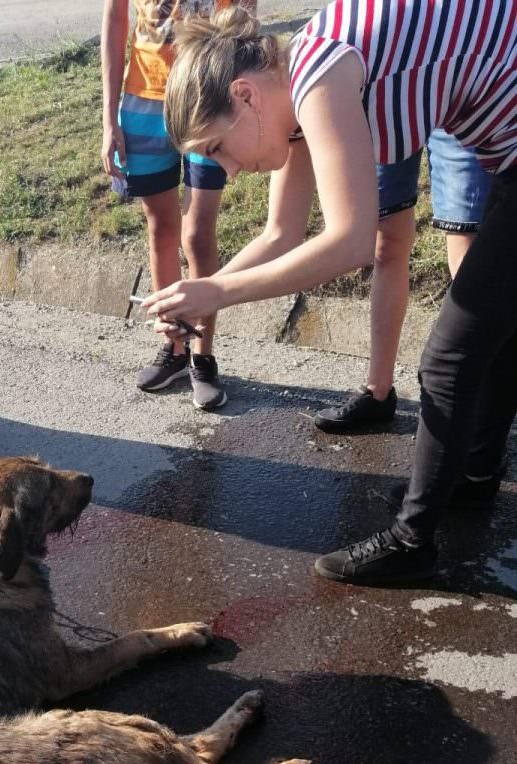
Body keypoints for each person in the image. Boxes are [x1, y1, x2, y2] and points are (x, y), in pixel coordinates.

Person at [142, 0, 517, 585]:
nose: (230, 170)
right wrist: (202, 291)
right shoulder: (292, 89)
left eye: (217, 149)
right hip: (507, 156)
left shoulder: (318, 73)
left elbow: (347, 244)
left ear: (244, 96)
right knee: (492, 327)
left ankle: (412, 542)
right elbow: (282, 234)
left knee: (448, 358)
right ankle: (470, 479)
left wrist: (217, 295)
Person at [101, 0, 241, 411]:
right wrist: (110, 118)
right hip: (143, 102)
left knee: (197, 234)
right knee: (161, 230)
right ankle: (174, 347)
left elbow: (245, 18)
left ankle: (203, 355)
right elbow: (114, 20)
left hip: (206, 97)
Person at [314, 130, 491, 434]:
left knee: (467, 258)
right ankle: (378, 391)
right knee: (387, 240)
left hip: (460, 98)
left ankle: (481, 419)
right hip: (395, 97)